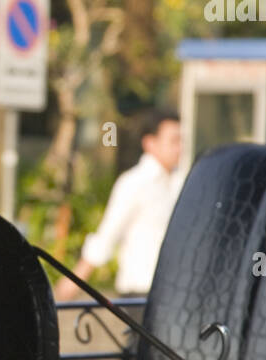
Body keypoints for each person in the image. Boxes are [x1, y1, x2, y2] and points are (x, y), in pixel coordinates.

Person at [56, 110, 185, 300]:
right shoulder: (134, 182)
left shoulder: (178, 182)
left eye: (181, 141)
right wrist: (75, 279)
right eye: (174, 141)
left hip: (173, 291)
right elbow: (108, 233)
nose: (179, 148)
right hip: (140, 291)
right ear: (150, 143)